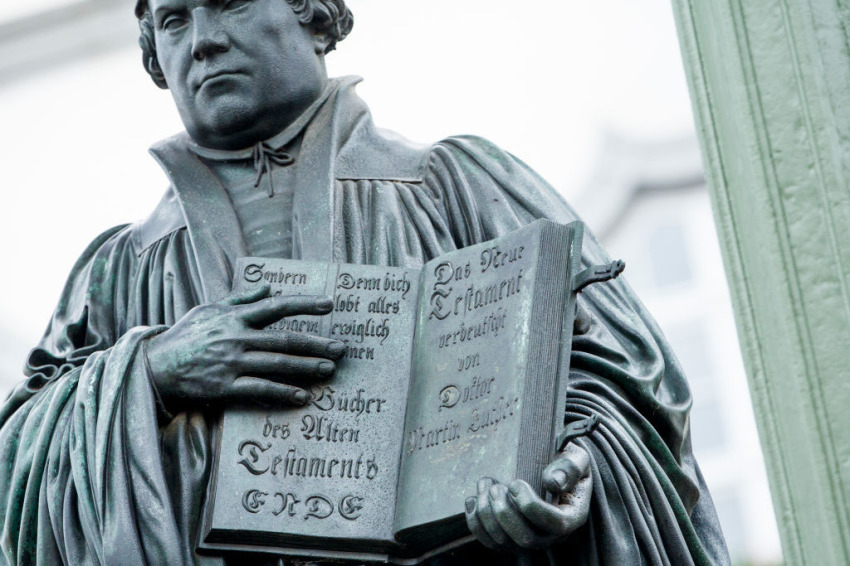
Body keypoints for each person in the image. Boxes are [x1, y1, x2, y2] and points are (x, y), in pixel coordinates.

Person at [0, 0, 730, 564]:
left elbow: (627, 378)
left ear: (313, 16)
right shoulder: (118, 270)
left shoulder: (457, 185)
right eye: (173, 19)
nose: (202, 40)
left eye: (230, 3)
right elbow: (15, 469)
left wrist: (573, 466)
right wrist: (152, 371)